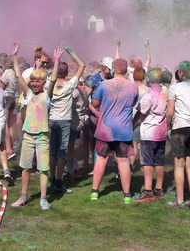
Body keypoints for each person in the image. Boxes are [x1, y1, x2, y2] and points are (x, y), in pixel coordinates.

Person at [10, 42, 63, 210]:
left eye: (37, 82)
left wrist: (55, 61)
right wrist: (14, 56)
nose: (34, 84)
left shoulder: (46, 96)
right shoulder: (29, 94)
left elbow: (53, 79)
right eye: (32, 81)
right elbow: (18, 76)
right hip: (28, 136)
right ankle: (23, 197)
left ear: (43, 82)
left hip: (42, 137)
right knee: (25, 168)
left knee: (43, 170)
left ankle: (43, 198)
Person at [90, 58, 138, 204]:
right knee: (123, 161)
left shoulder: (104, 85)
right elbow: (134, 102)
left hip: (105, 129)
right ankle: (127, 195)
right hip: (123, 129)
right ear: (126, 70)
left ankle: (94, 192)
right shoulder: (133, 87)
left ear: (112, 69)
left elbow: (95, 103)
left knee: (101, 159)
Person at [166, 61, 190, 209]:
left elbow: (170, 112)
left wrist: (168, 127)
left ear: (181, 73)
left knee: (178, 165)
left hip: (179, 128)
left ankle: (180, 200)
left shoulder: (175, 87)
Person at [48, 47, 85, 194]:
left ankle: (52, 181)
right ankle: (58, 182)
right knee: (62, 152)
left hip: (51, 120)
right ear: (67, 72)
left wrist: (55, 60)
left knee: (52, 152)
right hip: (64, 122)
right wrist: (71, 52)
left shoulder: (48, 84)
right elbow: (82, 66)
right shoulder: (70, 85)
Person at [132, 68, 167, 202]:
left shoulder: (149, 95)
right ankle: (159, 189)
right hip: (162, 131)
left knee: (147, 162)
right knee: (159, 161)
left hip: (149, 133)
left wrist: (132, 123)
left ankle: (147, 191)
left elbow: (141, 112)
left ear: (148, 80)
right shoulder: (165, 93)